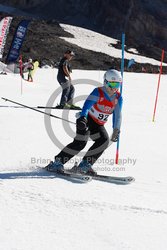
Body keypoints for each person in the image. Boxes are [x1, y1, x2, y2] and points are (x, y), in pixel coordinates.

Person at [47, 69, 123, 175]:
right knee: (80, 143)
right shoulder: (98, 92)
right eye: (113, 84)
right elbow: (86, 106)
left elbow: (118, 115)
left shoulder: (118, 98)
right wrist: (83, 118)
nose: (115, 88)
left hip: (98, 124)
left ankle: (85, 165)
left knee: (103, 141)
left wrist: (116, 129)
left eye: (118, 85)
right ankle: (57, 162)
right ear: (106, 82)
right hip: (87, 120)